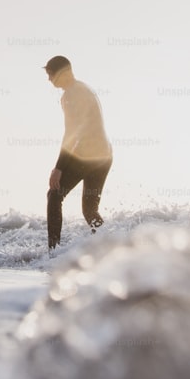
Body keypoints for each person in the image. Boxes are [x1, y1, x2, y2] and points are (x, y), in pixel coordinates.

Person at [43, 55, 113, 249]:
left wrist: (58, 168)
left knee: (54, 195)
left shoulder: (72, 95)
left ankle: (52, 252)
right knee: (90, 211)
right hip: (104, 155)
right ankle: (111, 246)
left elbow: (72, 134)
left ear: (61, 73)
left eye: (50, 75)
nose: (49, 80)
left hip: (88, 156)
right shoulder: (83, 88)